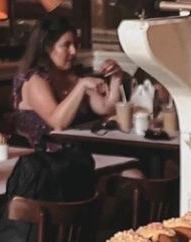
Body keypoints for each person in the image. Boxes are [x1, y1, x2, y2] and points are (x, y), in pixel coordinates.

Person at [13, 13, 124, 148]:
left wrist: (116, 77)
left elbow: (107, 109)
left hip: (78, 153)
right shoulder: (34, 80)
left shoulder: (72, 75)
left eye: (75, 44)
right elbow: (58, 123)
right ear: (47, 48)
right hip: (46, 159)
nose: (73, 51)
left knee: (133, 167)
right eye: (66, 45)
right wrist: (81, 86)